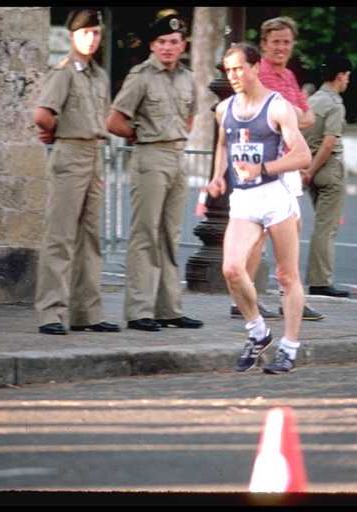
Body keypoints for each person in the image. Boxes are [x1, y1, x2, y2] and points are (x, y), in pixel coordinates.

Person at [207, 42, 312, 374]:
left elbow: (303, 156)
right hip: (244, 199)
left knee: (286, 275)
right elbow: (224, 143)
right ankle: (258, 332)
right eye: (229, 70)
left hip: (274, 197)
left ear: (255, 68)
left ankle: (290, 347)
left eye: (240, 69)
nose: (234, 76)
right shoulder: (224, 109)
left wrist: (263, 168)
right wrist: (216, 177)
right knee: (231, 269)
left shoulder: (277, 108)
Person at [106, 14, 203, 332]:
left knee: (170, 236)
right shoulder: (142, 76)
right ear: (152, 45)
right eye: (161, 42)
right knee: (145, 234)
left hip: (177, 156)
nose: (168, 47)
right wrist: (140, 135)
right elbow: (115, 120)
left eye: (174, 42)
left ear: (182, 45)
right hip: (150, 155)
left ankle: (169, 309)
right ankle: (139, 311)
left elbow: (189, 117)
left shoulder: (188, 78)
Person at [230, 16, 324, 322]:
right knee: (257, 235)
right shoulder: (262, 75)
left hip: (288, 162)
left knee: (291, 231)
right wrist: (293, 113)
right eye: (275, 42)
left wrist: (293, 112)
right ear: (263, 45)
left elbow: (307, 118)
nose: (281, 47)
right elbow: (293, 114)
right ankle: (245, 298)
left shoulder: (288, 76)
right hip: (266, 163)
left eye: (286, 42)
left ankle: (289, 296)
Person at [32, 9, 120, 336]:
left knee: (90, 238)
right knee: (60, 236)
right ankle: (50, 313)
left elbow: (103, 117)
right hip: (70, 151)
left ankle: (87, 312)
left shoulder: (98, 76)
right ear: (73, 35)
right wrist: (55, 131)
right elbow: (42, 114)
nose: (92, 39)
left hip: (92, 152)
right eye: (86, 33)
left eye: (96, 33)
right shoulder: (64, 72)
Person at [301, 55, 353, 297]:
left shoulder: (311, 101)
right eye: (347, 77)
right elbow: (329, 142)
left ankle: (318, 278)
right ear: (341, 76)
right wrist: (312, 170)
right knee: (326, 228)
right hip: (329, 170)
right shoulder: (335, 104)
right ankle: (321, 281)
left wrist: (307, 169)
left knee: (320, 225)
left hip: (311, 168)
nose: (347, 82)